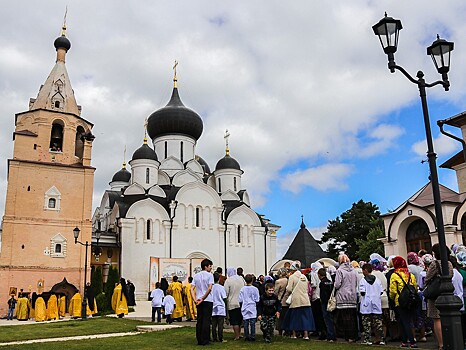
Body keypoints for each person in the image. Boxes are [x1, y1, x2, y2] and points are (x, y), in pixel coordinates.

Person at [426, 244, 453, 350]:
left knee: (437, 319)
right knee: (446, 317)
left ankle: (441, 343)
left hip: (435, 293)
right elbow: (451, 275)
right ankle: (447, 341)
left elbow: (428, 278)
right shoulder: (449, 263)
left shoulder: (435, 264)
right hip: (447, 291)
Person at [389, 255, 418, 348]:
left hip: (400, 300)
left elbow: (392, 290)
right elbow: (415, 287)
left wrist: (393, 298)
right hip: (410, 300)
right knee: (405, 320)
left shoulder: (394, 275)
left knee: (404, 321)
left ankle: (412, 341)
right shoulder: (410, 274)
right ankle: (404, 341)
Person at [282, 261, 315, 340]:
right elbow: (307, 288)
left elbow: (289, 289)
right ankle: (306, 335)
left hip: (296, 299)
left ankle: (294, 334)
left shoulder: (292, 277)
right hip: (305, 300)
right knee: (305, 318)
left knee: (294, 318)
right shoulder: (304, 276)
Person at [334, 254, 359, 342]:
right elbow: (356, 282)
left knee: (345, 318)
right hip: (352, 296)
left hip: (343, 296)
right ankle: (354, 335)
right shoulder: (354, 270)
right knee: (353, 317)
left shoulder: (340, 271)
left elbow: (337, 284)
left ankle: (348, 336)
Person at [191, 258, 214, 346]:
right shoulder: (209, 275)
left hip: (198, 300)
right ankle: (205, 339)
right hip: (207, 300)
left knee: (200, 320)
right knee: (206, 320)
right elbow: (209, 288)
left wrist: (195, 299)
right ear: (206, 266)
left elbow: (191, 288)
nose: (211, 268)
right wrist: (203, 298)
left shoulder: (196, 276)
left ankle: (199, 339)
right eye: (210, 266)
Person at [359, 263, 383, 345]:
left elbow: (362, 292)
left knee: (366, 324)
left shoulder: (363, 280)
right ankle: (380, 339)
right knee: (378, 323)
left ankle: (367, 339)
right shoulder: (377, 280)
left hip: (366, 304)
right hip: (376, 303)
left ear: (365, 271)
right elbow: (381, 291)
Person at [224, 266, 246, 341]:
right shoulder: (241, 278)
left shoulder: (228, 280)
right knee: (239, 320)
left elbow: (225, 292)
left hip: (232, 303)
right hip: (241, 302)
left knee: (234, 320)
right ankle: (239, 334)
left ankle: (237, 336)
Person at [239, 274, 260, 341]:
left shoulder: (242, 289)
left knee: (246, 322)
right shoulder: (255, 289)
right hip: (252, 306)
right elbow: (257, 299)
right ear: (252, 280)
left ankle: (246, 336)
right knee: (252, 323)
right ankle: (253, 335)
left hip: (245, 306)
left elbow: (240, 300)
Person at [318, 267, 336, 341]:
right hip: (331, 301)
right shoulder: (330, 282)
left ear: (319, 275)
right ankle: (333, 335)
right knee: (331, 319)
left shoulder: (322, 283)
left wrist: (322, 300)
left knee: (327, 319)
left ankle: (330, 335)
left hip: (325, 302)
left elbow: (322, 294)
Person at [211, 272, 227, 342]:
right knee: (220, 325)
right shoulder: (221, 287)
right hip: (220, 307)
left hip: (213, 307)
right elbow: (224, 298)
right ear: (219, 279)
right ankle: (220, 338)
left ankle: (214, 338)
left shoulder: (210, 287)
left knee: (214, 325)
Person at [274, 268, 289, 336]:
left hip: (280, 301)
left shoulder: (278, 281)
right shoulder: (288, 280)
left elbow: (276, 292)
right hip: (287, 300)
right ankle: (287, 330)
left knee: (280, 318)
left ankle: (280, 331)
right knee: (286, 317)